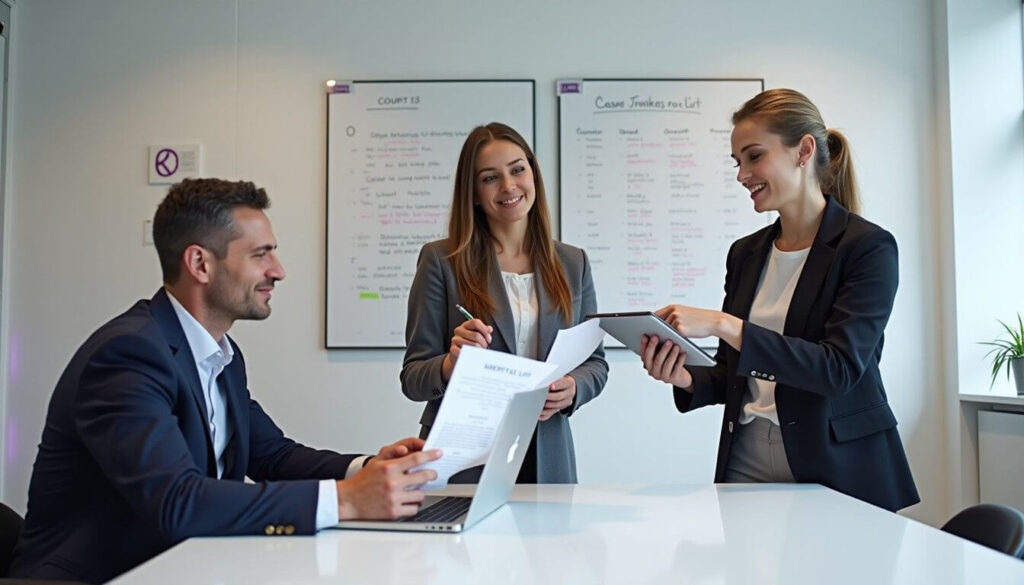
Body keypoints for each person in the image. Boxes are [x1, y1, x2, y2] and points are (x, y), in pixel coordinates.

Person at [10, 178, 442, 584]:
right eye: (260, 255)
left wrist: (368, 469)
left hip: (184, 567)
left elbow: (272, 455)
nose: (278, 271)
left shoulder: (220, 356)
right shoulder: (128, 355)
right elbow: (177, 502)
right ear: (200, 263)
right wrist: (346, 499)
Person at [639, 89, 919, 512]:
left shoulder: (868, 248)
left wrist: (722, 324)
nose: (742, 174)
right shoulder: (745, 253)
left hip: (837, 461)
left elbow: (837, 369)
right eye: (737, 162)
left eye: (754, 156)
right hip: (746, 454)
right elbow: (734, 371)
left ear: (803, 151)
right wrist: (685, 378)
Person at [401, 122, 608, 484]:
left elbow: (596, 364)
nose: (508, 186)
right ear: (473, 193)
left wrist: (574, 387)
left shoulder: (573, 263)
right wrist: (450, 363)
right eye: (490, 178)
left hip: (547, 453)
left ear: (533, 175)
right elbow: (413, 377)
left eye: (517, 170)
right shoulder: (441, 261)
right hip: (465, 457)